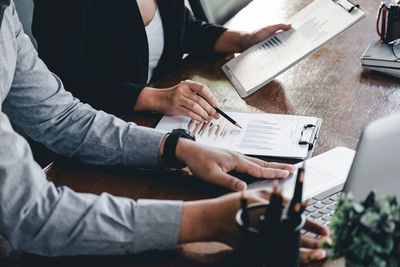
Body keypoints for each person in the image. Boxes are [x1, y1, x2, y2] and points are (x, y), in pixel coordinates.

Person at [0, 0, 327, 262]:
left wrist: (177, 148)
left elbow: (62, 117)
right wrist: (209, 220)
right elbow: (31, 216)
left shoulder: (6, 15)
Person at [32, 0, 291, 120]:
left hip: (162, 120)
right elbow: (65, 85)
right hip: (103, 128)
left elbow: (182, 29)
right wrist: (157, 97)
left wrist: (243, 40)